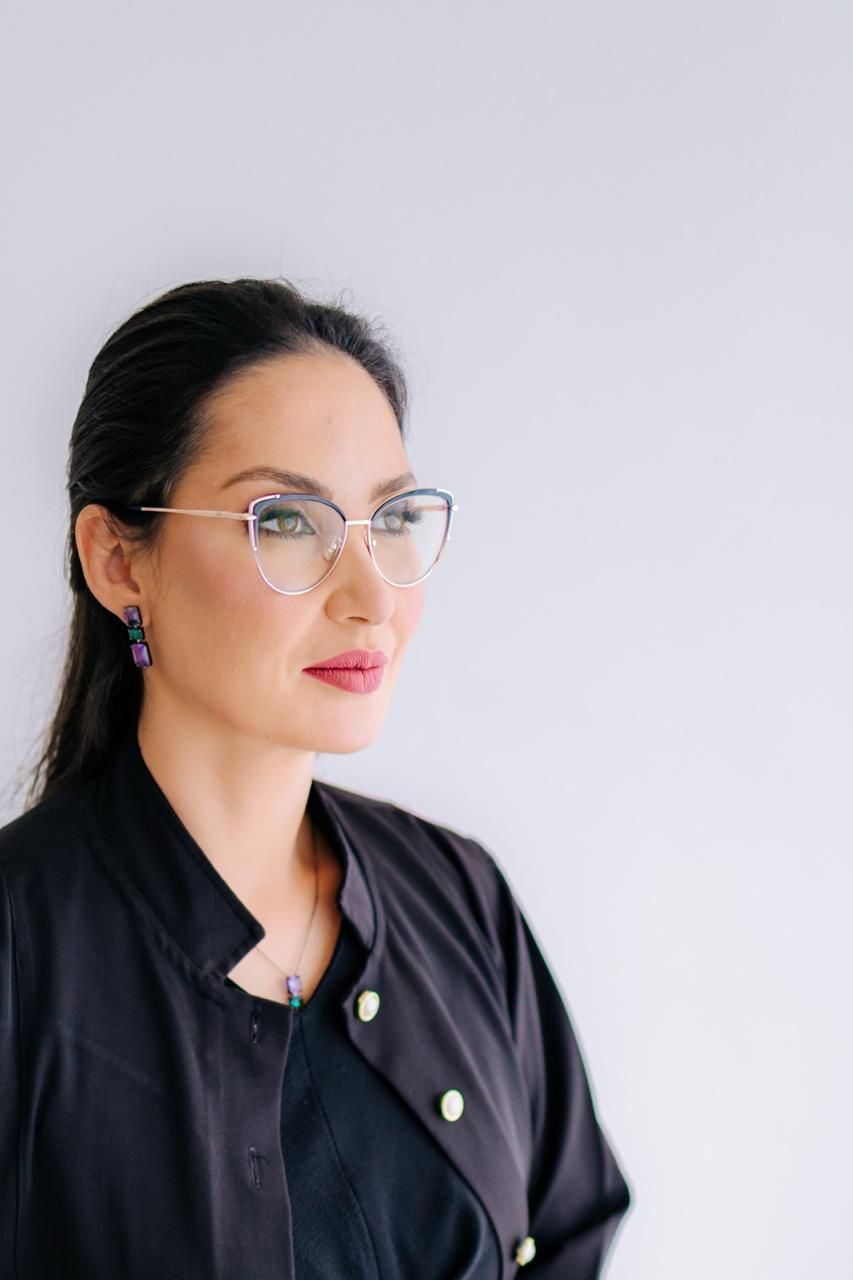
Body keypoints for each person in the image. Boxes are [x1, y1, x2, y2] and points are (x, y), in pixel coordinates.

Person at [0, 277, 632, 1278]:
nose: (371, 595)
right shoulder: (23, 949)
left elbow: (570, 1231)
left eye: (390, 519)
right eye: (289, 521)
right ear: (118, 561)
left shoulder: (459, 898)